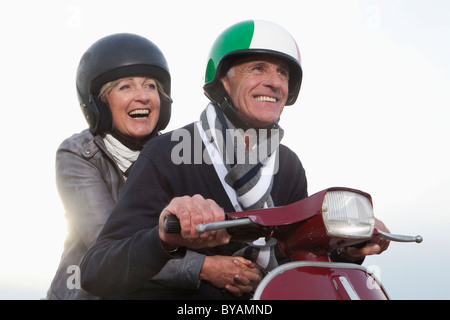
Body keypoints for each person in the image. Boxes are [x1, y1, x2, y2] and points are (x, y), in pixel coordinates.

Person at [80, 20, 390, 300]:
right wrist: (162, 237)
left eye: (282, 72)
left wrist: (347, 249)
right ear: (223, 82)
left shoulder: (288, 165)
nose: (275, 82)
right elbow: (97, 271)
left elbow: (298, 264)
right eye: (258, 68)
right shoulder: (167, 153)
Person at [46, 33, 227, 300]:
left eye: (151, 86)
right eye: (125, 87)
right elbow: (108, 248)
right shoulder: (78, 154)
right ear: (100, 102)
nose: (143, 96)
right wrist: (204, 268)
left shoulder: (176, 153)